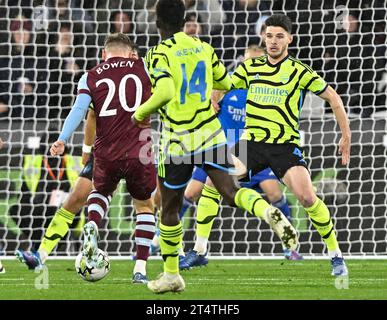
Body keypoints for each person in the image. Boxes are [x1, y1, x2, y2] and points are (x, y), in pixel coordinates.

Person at [132, 0, 297, 294]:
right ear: (184, 20)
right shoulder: (203, 47)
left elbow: (167, 90)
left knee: (169, 209)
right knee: (231, 192)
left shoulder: (157, 53)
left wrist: (141, 112)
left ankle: (171, 274)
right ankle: (266, 212)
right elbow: (224, 80)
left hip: (177, 142)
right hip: (211, 135)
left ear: (157, 23)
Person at [227, 14, 350, 276]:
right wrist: (214, 98)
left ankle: (336, 255)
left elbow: (333, 97)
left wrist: (346, 135)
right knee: (218, 182)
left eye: (279, 36)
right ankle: (201, 249)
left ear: (289, 40)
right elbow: (222, 86)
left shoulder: (299, 71)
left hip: (284, 146)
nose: (273, 41)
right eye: (269, 36)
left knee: (307, 198)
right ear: (263, 37)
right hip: (252, 142)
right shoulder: (249, 68)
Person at [177, 45, 303, 270]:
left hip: (253, 148)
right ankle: (172, 243)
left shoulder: (266, 89)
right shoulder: (230, 86)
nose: (250, 66)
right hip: (222, 147)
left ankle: (289, 245)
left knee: (273, 192)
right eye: (247, 61)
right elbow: (212, 91)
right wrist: (212, 100)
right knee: (194, 191)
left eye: (255, 61)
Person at [49, 33, 157, 284]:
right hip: (139, 150)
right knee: (144, 206)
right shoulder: (145, 68)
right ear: (131, 53)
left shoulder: (91, 75)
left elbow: (79, 110)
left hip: (106, 152)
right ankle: (140, 269)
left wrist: (63, 138)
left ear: (103, 54)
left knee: (99, 193)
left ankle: (93, 224)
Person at [15, 108, 95, 270]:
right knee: (21, 210)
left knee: (75, 207)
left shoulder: (72, 161)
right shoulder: (33, 162)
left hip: (68, 204)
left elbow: (79, 190)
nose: (53, 151)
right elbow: (24, 191)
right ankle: (38, 249)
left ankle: (67, 250)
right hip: (40, 207)